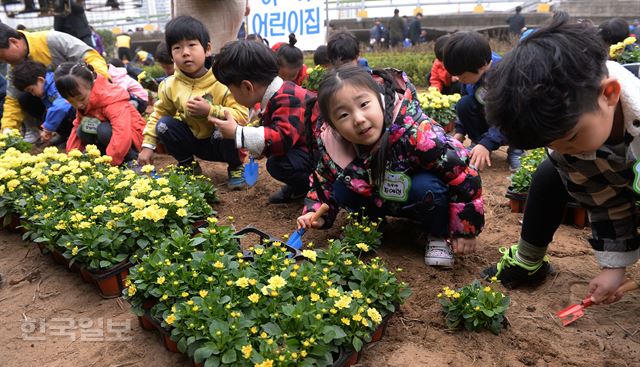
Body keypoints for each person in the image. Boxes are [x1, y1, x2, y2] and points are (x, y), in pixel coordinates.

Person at [481, 12, 640, 305]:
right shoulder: (567, 139)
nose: (563, 149)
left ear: (610, 94)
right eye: (551, 143)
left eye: (571, 138)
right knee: (549, 173)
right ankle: (529, 262)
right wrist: (614, 267)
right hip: (620, 168)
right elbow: (605, 199)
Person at [296, 65, 483, 267]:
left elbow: (464, 175)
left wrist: (465, 228)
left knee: (426, 186)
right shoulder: (333, 145)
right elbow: (324, 181)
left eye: (364, 104)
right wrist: (315, 212)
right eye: (343, 115)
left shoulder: (417, 133)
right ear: (332, 125)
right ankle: (370, 225)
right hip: (377, 198)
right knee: (341, 186)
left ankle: (437, 234)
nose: (358, 119)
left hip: (416, 201)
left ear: (381, 99)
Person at [136, 16, 248, 188]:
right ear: (171, 55)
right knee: (164, 124)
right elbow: (158, 114)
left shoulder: (223, 81)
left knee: (226, 125)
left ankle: (235, 167)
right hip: (194, 141)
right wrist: (148, 145)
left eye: (191, 45)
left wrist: (210, 110)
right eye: (177, 48)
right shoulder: (169, 85)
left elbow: (242, 116)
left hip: (221, 143)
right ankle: (188, 165)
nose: (185, 52)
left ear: (207, 49)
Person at [211, 40, 317, 204]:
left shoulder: (288, 98)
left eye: (231, 90)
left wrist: (238, 133)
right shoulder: (279, 94)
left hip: (327, 159)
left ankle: (315, 188)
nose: (232, 95)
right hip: (309, 148)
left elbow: (282, 139)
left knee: (279, 164)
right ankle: (303, 186)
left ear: (247, 87)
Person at [0, 23, 109, 143]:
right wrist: (7, 130)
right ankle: (68, 133)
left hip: (83, 95)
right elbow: (12, 99)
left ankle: (90, 131)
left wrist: (97, 89)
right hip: (64, 103)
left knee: (99, 129)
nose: (3, 61)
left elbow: (91, 57)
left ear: (14, 42)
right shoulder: (14, 67)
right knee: (25, 98)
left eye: (2, 57)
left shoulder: (51, 40)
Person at [442, 31, 524, 171]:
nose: (459, 80)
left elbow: (507, 116)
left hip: (511, 119)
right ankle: (479, 144)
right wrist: (460, 131)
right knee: (464, 104)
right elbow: (464, 98)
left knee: (522, 113)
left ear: (483, 66)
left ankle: (516, 150)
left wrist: (488, 142)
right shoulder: (469, 70)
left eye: (462, 76)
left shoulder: (505, 77)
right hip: (489, 115)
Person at [55, 62, 145, 166]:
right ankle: (105, 157)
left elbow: (122, 134)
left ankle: (132, 161)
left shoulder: (111, 98)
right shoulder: (85, 101)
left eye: (81, 99)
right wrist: (71, 160)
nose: (78, 105)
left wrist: (108, 164)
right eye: (71, 102)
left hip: (134, 140)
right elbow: (76, 130)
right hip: (113, 144)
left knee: (104, 130)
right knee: (82, 128)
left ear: (91, 85)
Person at [11, 60, 75, 147]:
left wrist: (47, 129)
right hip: (70, 118)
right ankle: (68, 135)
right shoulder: (46, 90)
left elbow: (61, 106)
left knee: (50, 115)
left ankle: (74, 135)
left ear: (40, 80)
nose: (33, 94)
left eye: (31, 90)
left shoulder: (55, 84)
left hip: (77, 114)